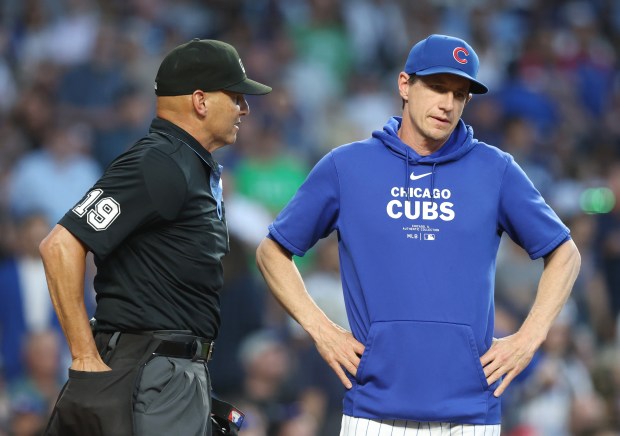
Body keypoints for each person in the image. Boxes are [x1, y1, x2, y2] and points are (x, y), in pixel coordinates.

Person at [255, 34, 581, 435]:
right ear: (405, 85)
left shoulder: (495, 170)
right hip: (372, 410)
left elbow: (566, 254)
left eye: (460, 94)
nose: (448, 104)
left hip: (470, 414)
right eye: (438, 87)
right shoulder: (348, 166)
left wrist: (529, 339)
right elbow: (272, 251)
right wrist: (322, 330)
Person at [39, 38, 271, 436]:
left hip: (168, 372)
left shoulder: (187, 163)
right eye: (235, 97)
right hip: (149, 371)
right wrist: (83, 356)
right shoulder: (158, 161)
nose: (244, 109)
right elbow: (59, 245)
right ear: (200, 100)